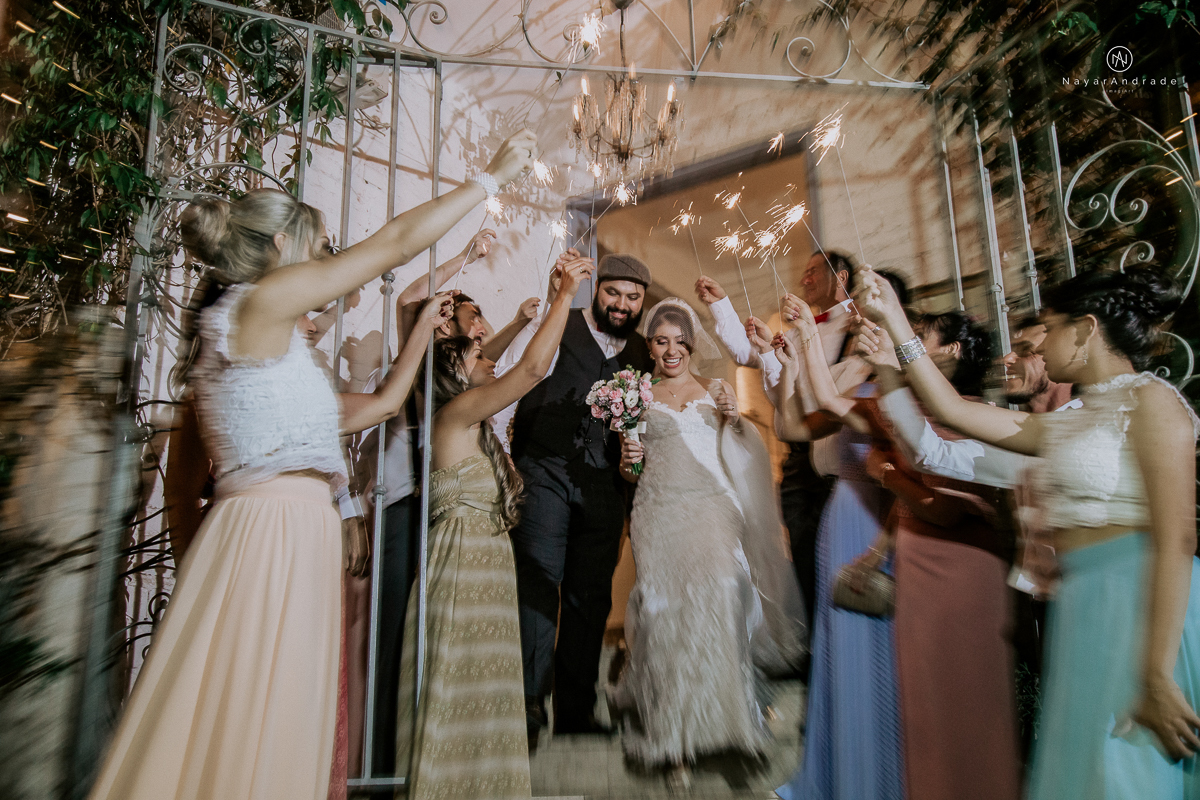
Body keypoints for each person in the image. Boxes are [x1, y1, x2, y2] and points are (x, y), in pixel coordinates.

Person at [86, 129, 536, 800]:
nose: (326, 262)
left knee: (280, 716)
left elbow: (384, 402)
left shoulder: (272, 351)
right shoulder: (259, 306)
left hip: (296, 536)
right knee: (251, 712)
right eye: (316, 247)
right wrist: (489, 181)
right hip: (270, 535)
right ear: (279, 252)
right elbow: (392, 244)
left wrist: (418, 332)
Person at [855, 265, 1200, 800]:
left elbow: (1176, 539)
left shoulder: (1151, 401)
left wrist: (1156, 673)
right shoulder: (1068, 421)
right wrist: (896, 323)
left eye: (1050, 327)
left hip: (1140, 602)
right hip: (1083, 604)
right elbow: (949, 413)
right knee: (1087, 774)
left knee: (1131, 774)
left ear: (1085, 330)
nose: (1040, 344)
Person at [394, 254, 595, 799]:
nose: (490, 359)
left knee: (484, 688)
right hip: (460, 570)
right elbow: (530, 371)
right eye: (479, 354)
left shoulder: (472, 425)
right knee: (458, 688)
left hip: (485, 568)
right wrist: (563, 299)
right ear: (455, 372)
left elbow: (518, 366)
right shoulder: (452, 417)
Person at [609, 299, 806, 790]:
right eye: (661, 340)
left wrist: (735, 420)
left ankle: (734, 722)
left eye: (679, 341)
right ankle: (672, 740)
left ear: (692, 344)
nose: (671, 350)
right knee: (663, 610)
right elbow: (628, 471)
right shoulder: (633, 394)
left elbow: (743, 449)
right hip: (657, 509)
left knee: (721, 590)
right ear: (649, 346)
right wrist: (630, 458)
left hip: (713, 505)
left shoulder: (716, 389)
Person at [861, 311, 1021, 800]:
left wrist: (885, 474)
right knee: (925, 706)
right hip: (920, 569)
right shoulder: (922, 415)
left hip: (960, 574)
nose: (909, 345)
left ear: (952, 351)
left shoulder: (972, 414)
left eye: (919, 338)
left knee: (967, 706)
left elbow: (944, 510)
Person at [496, 251, 655, 742]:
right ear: (598, 289)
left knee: (591, 597)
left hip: (605, 486)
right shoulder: (562, 322)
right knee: (540, 584)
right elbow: (520, 374)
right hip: (544, 472)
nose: (623, 305)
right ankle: (528, 707)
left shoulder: (643, 353)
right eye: (614, 293)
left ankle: (576, 712)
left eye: (633, 298)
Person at [770, 294, 905, 800]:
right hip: (844, 516)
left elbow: (825, 403)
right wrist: (787, 367)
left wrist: (808, 335)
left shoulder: (900, 389)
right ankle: (846, 768)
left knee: (884, 654)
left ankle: (883, 771)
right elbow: (793, 426)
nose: (862, 325)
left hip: (883, 522)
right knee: (843, 649)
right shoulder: (857, 382)